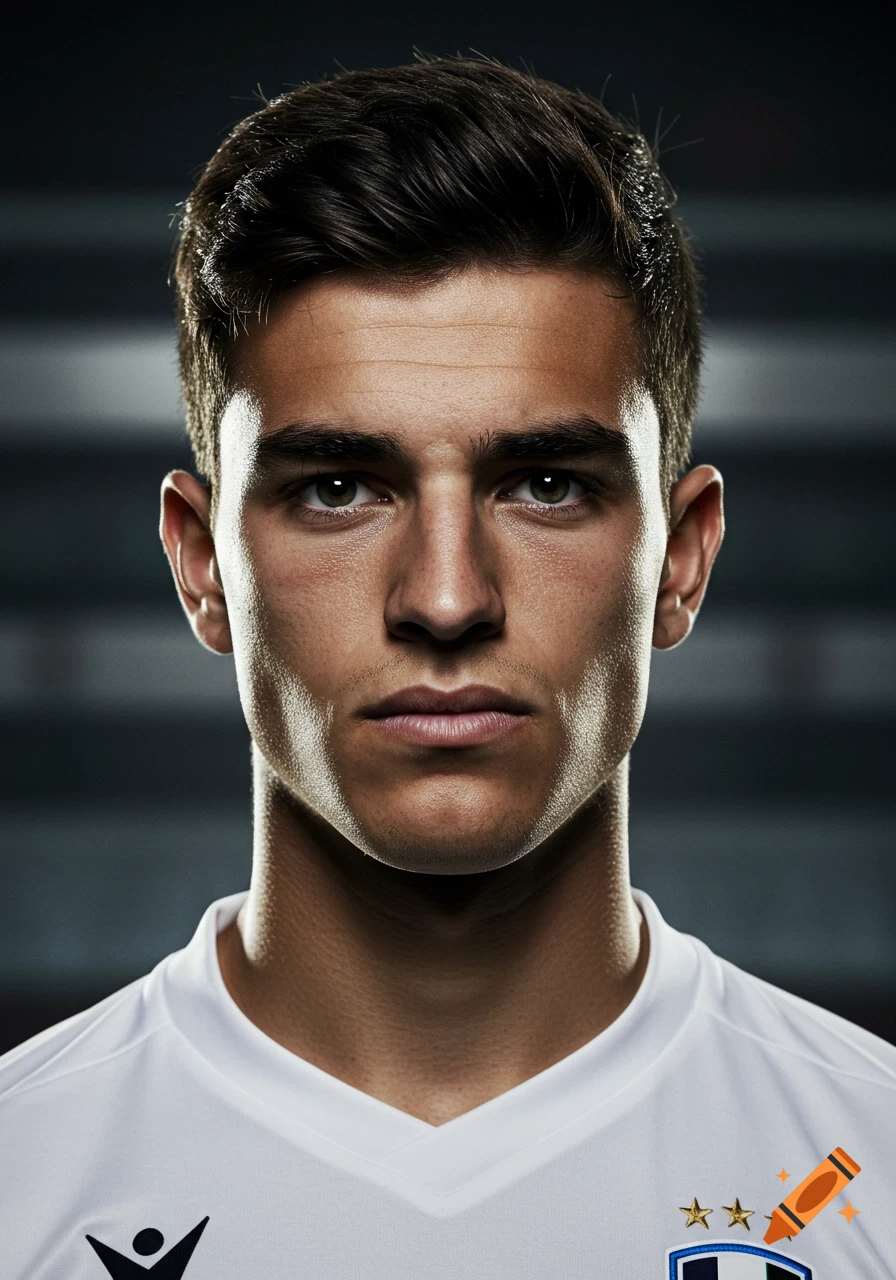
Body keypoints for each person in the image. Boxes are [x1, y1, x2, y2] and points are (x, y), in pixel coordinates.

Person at [1, 56, 892, 1280]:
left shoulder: (870, 1162)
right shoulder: (21, 1172)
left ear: (680, 561)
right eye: (336, 488)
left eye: (544, 485)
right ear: (201, 566)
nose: (445, 597)